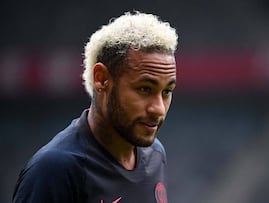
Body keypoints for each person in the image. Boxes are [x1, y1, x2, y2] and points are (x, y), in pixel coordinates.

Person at [13, 11, 178, 203]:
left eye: (167, 92)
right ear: (101, 79)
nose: (158, 109)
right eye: (144, 89)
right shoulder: (55, 171)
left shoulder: (155, 155)